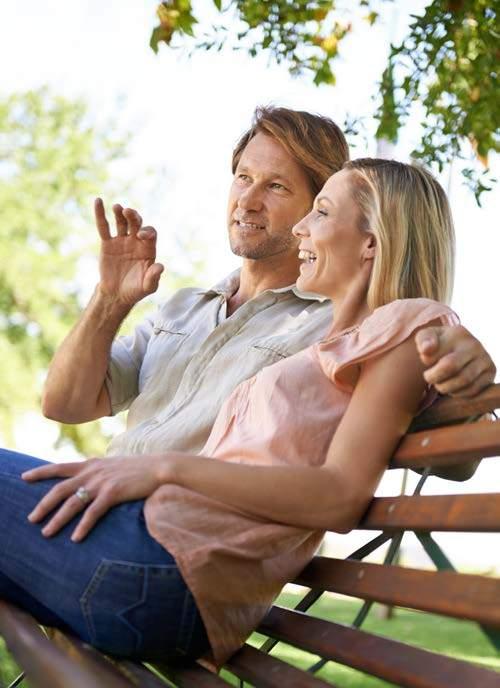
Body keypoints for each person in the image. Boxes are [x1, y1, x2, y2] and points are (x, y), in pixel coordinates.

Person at [2, 158, 462, 668]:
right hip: (146, 549)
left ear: (372, 242)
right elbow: (63, 403)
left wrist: (160, 469)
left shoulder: (403, 324)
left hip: (162, 567)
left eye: (320, 212)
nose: (302, 228)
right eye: (243, 177)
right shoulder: (334, 344)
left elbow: (340, 494)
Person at [41, 107, 495, 463]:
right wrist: (109, 301)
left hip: (169, 532)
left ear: (320, 203)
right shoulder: (183, 308)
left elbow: (453, 451)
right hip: (98, 502)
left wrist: (463, 373)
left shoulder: (340, 324)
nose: (248, 201)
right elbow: (64, 404)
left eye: (276, 186)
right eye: (243, 178)